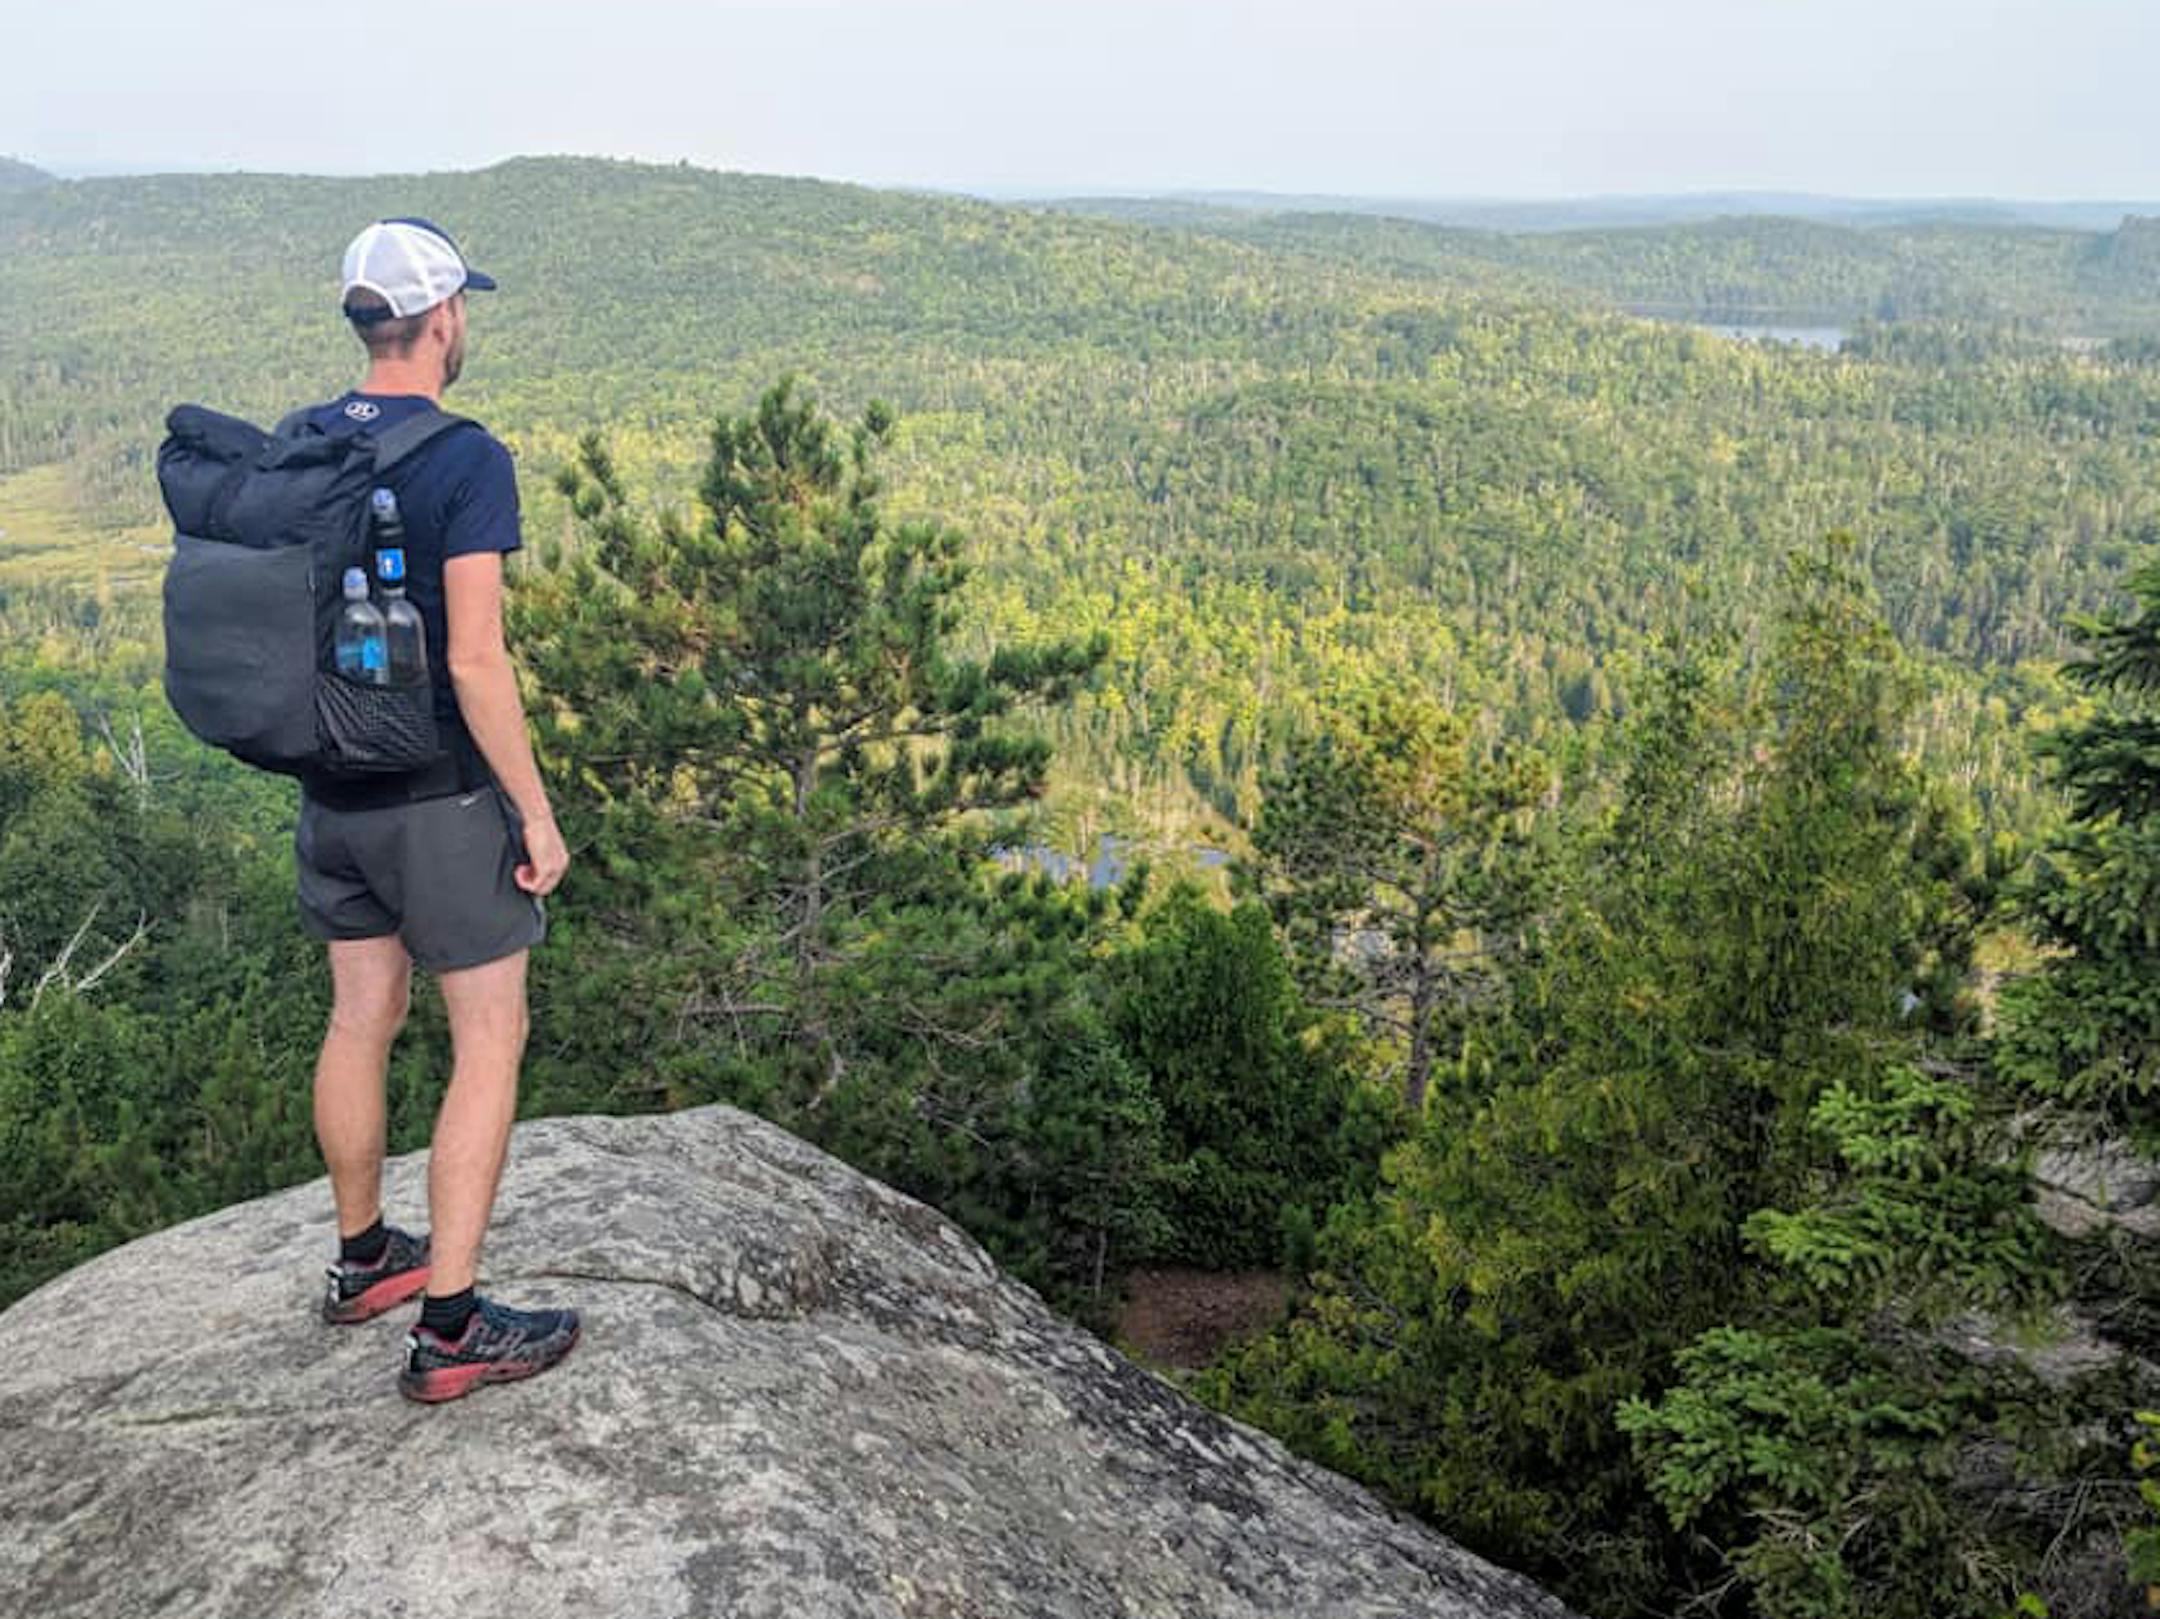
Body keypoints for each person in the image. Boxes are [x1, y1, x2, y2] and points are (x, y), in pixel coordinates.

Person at [301, 217, 580, 1403]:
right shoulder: (467, 458)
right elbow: (475, 660)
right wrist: (535, 810)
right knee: (489, 1037)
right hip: (438, 798)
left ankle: (367, 1257)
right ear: (446, 318)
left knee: (360, 1017)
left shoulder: (302, 441)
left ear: (366, 320)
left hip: (330, 791)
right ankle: (453, 1324)